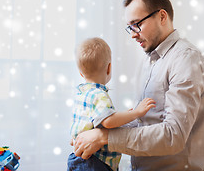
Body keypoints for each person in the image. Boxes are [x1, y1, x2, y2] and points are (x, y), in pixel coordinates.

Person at [73, 0, 204, 171]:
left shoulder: (186, 59)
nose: (132, 34)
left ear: (162, 16)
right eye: (129, 27)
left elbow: (173, 136)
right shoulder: (149, 62)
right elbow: (144, 122)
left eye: (137, 24)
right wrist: (93, 132)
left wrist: (105, 137)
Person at [67, 37, 156, 171]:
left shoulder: (82, 94)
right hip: (95, 161)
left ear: (81, 73)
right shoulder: (99, 94)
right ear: (109, 68)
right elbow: (108, 121)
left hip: (78, 158)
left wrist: (125, 115)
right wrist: (136, 113)